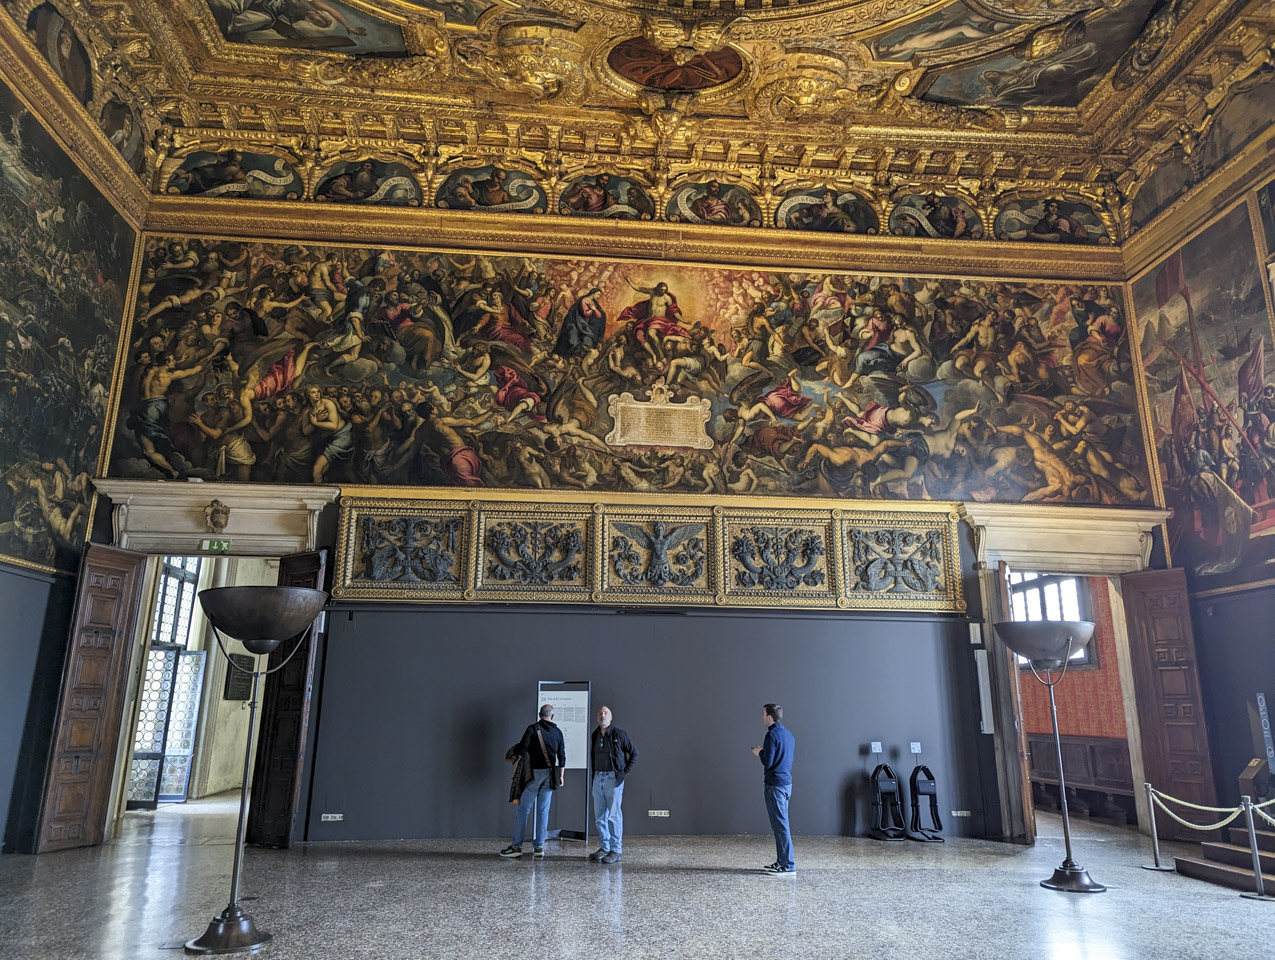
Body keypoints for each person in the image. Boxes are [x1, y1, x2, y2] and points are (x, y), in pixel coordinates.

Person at [500, 704, 565, 859]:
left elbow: (522, 749)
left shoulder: (532, 729)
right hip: (550, 775)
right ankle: (539, 847)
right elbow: (562, 756)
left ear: (539, 714)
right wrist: (561, 775)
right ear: (552, 716)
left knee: (523, 810)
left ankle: (516, 847)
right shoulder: (557, 732)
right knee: (543, 812)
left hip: (533, 775)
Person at [588, 705, 639, 864]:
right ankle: (605, 847)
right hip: (598, 778)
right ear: (597, 717)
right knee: (599, 817)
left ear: (611, 717)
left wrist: (623, 773)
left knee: (613, 815)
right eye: (600, 713)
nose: (602, 715)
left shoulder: (619, 734)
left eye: (605, 713)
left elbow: (634, 753)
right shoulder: (595, 734)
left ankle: (616, 849)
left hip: (613, 778)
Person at [751, 703, 795, 875]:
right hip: (786, 784)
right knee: (781, 825)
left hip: (775, 785)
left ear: (770, 717)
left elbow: (768, 762)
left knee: (780, 826)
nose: (762, 717)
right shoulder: (788, 735)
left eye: (763, 714)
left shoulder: (771, 736)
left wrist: (759, 752)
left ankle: (788, 865)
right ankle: (782, 861)